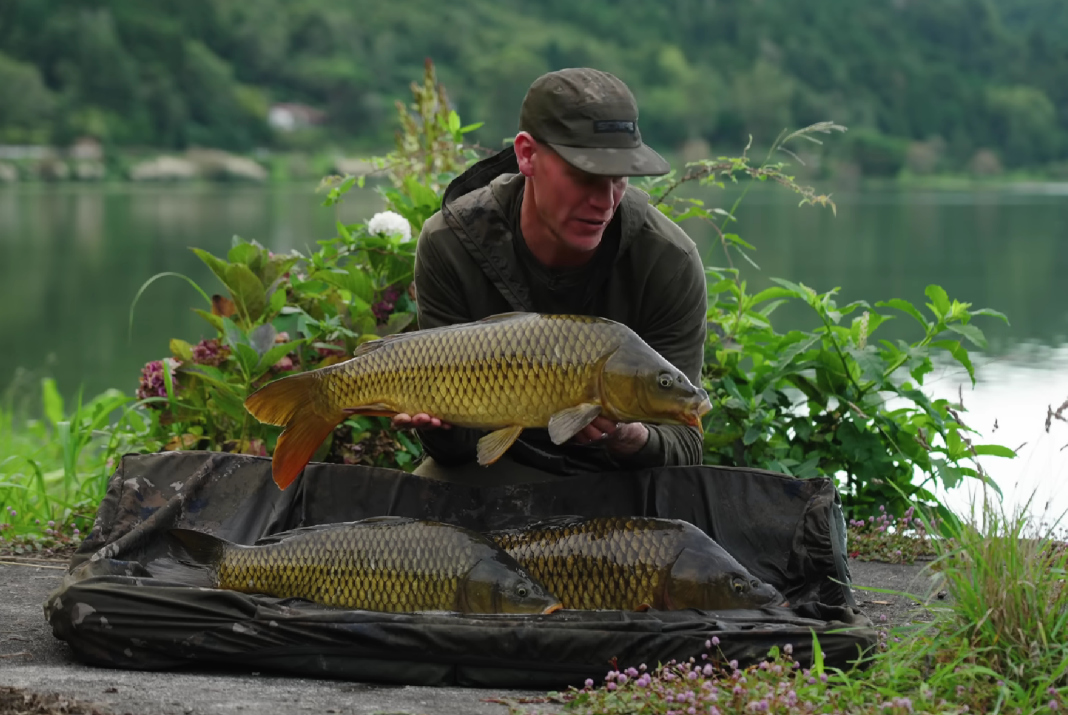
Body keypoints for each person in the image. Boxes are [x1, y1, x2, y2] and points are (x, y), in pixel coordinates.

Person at [392, 67, 709, 485]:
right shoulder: (451, 243)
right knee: (425, 491)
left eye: (618, 178)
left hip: (617, 477)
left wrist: (628, 437)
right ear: (527, 155)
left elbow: (687, 444)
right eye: (585, 177)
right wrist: (440, 425)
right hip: (495, 465)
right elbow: (455, 453)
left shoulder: (668, 260)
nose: (605, 201)